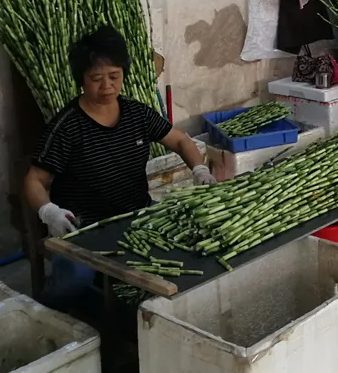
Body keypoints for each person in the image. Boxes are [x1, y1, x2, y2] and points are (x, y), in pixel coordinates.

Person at [23, 26, 213, 310]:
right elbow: (34, 180)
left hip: (137, 216)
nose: (107, 86)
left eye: (114, 77)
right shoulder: (67, 126)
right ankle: (48, 319)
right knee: (72, 282)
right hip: (84, 227)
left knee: (180, 261)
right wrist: (49, 212)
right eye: (96, 79)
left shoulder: (137, 114)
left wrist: (200, 170)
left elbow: (181, 141)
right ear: (81, 81)